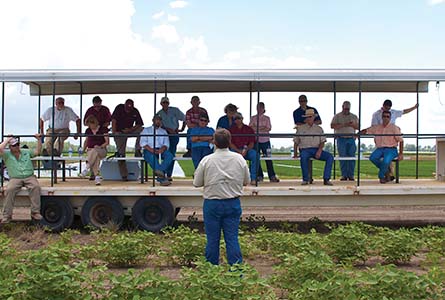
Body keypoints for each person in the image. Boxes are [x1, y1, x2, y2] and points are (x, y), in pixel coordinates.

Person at [193, 128, 250, 265]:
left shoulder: (207, 160)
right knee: (232, 238)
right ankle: (236, 272)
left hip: (212, 203)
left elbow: (197, 183)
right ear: (230, 142)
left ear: (214, 142)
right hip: (233, 202)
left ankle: (211, 271)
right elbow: (246, 181)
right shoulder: (239, 159)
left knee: (212, 239)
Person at [0, 135, 43, 224]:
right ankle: (6, 216)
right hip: (15, 178)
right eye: (14, 145)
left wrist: (39, 140)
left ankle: (35, 212)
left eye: (17, 144)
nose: (17, 146)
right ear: (10, 147)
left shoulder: (26, 152)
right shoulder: (6, 155)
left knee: (35, 187)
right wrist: (7, 139)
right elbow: (0, 149)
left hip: (29, 176)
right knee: (9, 190)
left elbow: (38, 151)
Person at [360, 111, 404, 184]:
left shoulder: (394, 128)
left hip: (391, 149)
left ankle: (381, 176)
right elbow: (367, 130)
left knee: (386, 161)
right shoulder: (377, 127)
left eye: (387, 117)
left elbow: (401, 140)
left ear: (390, 118)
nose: (385, 118)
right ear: (381, 117)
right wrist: (357, 134)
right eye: (384, 116)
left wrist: (401, 153)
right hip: (380, 148)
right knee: (373, 158)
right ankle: (387, 173)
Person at [294, 109, 334, 186]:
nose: (309, 118)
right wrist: (295, 153)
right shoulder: (300, 128)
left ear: (313, 117)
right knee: (303, 157)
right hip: (305, 149)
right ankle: (305, 179)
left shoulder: (319, 129)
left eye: (310, 117)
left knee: (330, 157)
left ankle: (326, 179)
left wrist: (319, 151)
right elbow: (296, 142)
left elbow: (322, 141)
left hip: (316, 149)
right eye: (307, 117)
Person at [111, 99, 144, 181]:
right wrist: (114, 132)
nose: (128, 110)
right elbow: (113, 120)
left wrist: (131, 129)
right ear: (124, 105)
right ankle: (124, 175)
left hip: (130, 130)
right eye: (127, 108)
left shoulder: (135, 111)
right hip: (120, 132)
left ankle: (138, 149)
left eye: (130, 108)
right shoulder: (119, 108)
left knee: (143, 130)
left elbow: (139, 123)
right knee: (121, 154)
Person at [156, 96, 186, 181]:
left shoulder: (175, 110)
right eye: (164, 102)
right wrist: (168, 129)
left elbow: (185, 119)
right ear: (161, 104)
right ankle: (163, 173)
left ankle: (168, 174)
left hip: (174, 136)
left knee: (171, 154)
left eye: (166, 102)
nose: (165, 104)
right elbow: (158, 125)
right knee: (165, 154)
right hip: (164, 136)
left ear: (168, 103)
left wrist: (181, 129)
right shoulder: (159, 113)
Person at [249, 102, 280, 183]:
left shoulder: (267, 118)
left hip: (265, 140)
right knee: (256, 158)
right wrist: (261, 128)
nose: (259, 109)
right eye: (258, 107)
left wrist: (257, 128)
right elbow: (250, 128)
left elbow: (268, 128)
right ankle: (259, 176)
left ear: (263, 109)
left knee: (268, 158)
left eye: (261, 107)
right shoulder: (253, 118)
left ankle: (272, 176)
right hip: (256, 140)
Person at [140, 115, 173, 186]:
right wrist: (151, 150)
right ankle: (162, 178)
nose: (158, 121)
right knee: (152, 158)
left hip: (161, 149)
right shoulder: (146, 130)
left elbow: (166, 144)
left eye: (160, 120)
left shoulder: (163, 131)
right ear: (153, 120)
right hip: (149, 149)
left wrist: (162, 149)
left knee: (170, 156)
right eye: (157, 120)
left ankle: (160, 172)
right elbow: (143, 143)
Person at [330, 101, 359, 181]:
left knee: (351, 157)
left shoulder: (354, 116)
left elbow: (358, 127)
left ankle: (351, 175)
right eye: (345, 108)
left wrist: (352, 125)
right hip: (341, 138)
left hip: (351, 138)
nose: (346, 110)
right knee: (342, 157)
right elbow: (332, 126)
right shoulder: (337, 116)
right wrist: (344, 124)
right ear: (342, 107)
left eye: (348, 108)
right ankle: (344, 175)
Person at [229, 112, 259, 185]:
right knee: (229, 156)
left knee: (255, 155)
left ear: (242, 119)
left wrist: (245, 150)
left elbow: (252, 143)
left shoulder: (249, 129)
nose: (237, 120)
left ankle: (253, 178)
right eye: (235, 119)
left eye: (239, 118)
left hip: (247, 149)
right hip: (235, 150)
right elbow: (230, 143)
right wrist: (238, 151)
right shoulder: (231, 130)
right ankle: (233, 179)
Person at [80, 116, 109, 185]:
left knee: (95, 150)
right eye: (88, 125)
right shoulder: (88, 130)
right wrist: (83, 150)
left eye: (91, 124)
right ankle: (97, 178)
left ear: (95, 123)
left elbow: (107, 142)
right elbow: (86, 141)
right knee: (96, 157)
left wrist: (100, 146)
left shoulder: (103, 129)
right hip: (90, 151)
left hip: (102, 150)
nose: (90, 126)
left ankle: (87, 167)